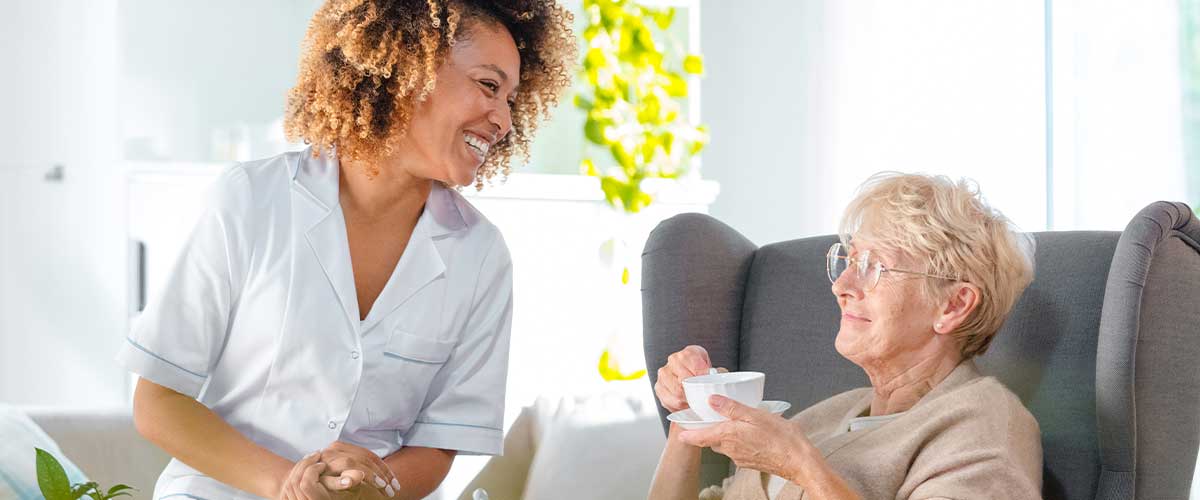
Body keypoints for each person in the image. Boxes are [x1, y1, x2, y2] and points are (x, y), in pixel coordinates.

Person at [117, 1, 575, 498]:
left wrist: (373, 489)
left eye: (511, 98)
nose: (503, 120)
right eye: (489, 86)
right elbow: (158, 399)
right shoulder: (253, 199)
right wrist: (290, 485)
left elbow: (440, 443)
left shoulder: (481, 255)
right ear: (407, 69)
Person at [649, 172, 1042, 500]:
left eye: (874, 267)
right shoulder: (831, 415)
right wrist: (692, 415)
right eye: (849, 261)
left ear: (953, 305)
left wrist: (799, 465)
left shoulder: (984, 424)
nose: (842, 286)